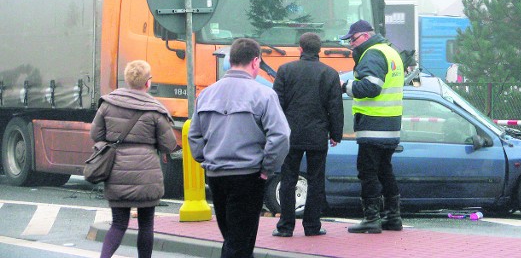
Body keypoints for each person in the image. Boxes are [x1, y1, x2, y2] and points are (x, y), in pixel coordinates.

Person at [188, 38, 290, 258]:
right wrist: (267, 168)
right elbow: (280, 135)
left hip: (216, 175)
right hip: (248, 174)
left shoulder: (206, 94)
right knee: (239, 243)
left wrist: (206, 160)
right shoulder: (263, 94)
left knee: (233, 238)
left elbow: (194, 134)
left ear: (230, 60)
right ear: (255, 62)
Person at [90, 60, 178, 258]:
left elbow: (96, 134)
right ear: (148, 83)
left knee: (119, 224)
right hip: (147, 175)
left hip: (116, 172)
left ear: (127, 80)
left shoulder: (108, 104)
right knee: (146, 225)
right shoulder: (155, 109)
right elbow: (169, 145)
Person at [271, 32, 344, 238]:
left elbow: (277, 105)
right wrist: (335, 134)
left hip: (290, 135)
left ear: (300, 49)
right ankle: (312, 226)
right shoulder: (329, 74)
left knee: (288, 180)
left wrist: (277, 132)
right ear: (318, 50)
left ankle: (285, 226)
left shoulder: (285, 71)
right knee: (316, 180)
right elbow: (335, 107)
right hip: (317, 135)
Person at [339, 20, 404, 234]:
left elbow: (371, 87)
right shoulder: (390, 52)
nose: (351, 45)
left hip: (373, 124)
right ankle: (393, 217)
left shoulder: (373, 54)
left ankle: (371, 219)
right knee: (385, 171)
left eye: (353, 39)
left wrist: (345, 86)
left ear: (365, 36)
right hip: (391, 125)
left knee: (367, 173)